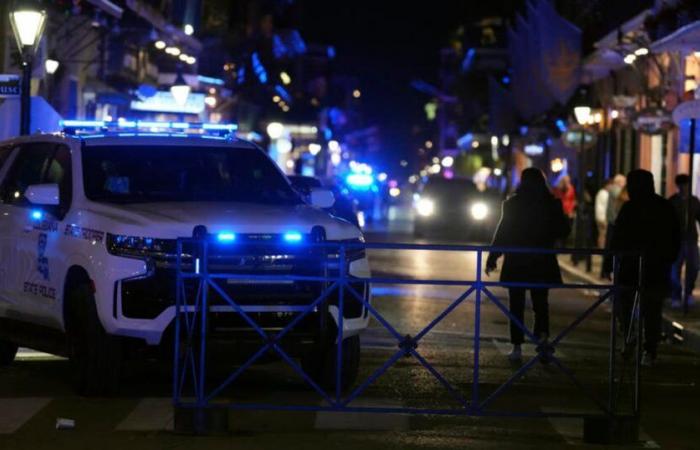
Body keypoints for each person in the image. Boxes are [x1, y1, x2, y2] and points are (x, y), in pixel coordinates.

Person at [486, 168, 571, 362]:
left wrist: (493, 256)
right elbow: (564, 230)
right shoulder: (551, 204)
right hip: (542, 258)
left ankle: (516, 346)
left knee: (516, 304)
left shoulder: (513, 204)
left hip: (517, 259)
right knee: (541, 303)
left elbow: (503, 232)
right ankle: (542, 339)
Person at [606, 170, 680, 367]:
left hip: (633, 266)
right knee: (651, 310)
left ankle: (632, 338)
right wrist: (668, 258)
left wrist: (611, 261)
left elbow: (618, 237)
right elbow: (675, 236)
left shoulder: (630, 208)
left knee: (627, 305)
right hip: (655, 266)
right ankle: (648, 349)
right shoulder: (664, 207)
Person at [668, 174, 700, 309]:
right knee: (675, 269)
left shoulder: (694, 201)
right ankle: (676, 294)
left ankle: (688, 292)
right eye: (682, 185)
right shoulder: (673, 201)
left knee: (694, 266)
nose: (684, 188)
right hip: (677, 240)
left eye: (686, 185)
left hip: (691, 239)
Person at [595, 179, 613, 248]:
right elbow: (607, 207)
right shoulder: (604, 194)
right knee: (603, 235)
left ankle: (601, 249)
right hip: (603, 217)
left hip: (599, 216)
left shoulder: (600, 193)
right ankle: (602, 249)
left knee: (601, 234)